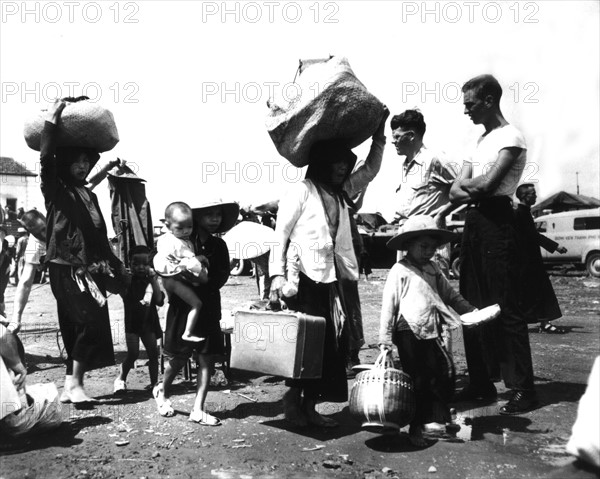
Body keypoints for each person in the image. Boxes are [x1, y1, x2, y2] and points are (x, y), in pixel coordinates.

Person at [269, 108, 388, 428]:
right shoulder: (301, 191)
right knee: (308, 347)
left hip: (334, 280)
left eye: (345, 164)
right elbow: (279, 236)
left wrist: (379, 134)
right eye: (336, 163)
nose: (342, 168)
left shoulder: (341, 192)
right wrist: (277, 276)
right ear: (322, 163)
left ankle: (307, 409)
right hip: (306, 279)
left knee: (330, 347)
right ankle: (299, 408)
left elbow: (371, 170)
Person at [450, 74, 537, 415]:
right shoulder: (479, 141)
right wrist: (473, 187)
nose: (466, 110)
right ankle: (481, 383)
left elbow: (488, 186)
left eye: (470, 103)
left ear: (488, 100)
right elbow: (456, 190)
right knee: (471, 306)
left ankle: (523, 388)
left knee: (506, 306)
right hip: (474, 224)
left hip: (500, 223)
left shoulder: (511, 136)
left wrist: (473, 186)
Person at [40, 98, 125, 404]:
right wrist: (51, 120)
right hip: (66, 266)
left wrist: (110, 166)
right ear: (64, 164)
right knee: (86, 322)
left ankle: (70, 386)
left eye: (86, 162)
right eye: (76, 162)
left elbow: (94, 184)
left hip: (88, 268)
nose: (82, 166)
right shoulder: (56, 190)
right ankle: (75, 384)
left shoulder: (85, 193)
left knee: (84, 324)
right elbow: (45, 158)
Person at [378, 215, 479, 446]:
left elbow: (450, 295)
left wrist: (470, 311)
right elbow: (389, 304)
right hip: (407, 329)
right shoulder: (400, 270)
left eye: (432, 248)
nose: (428, 252)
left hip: (431, 328)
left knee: (440, 373)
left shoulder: (434, 269)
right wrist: (384, 338)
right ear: (408, 246)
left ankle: (435, 419)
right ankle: (415, 427)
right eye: (423, 247)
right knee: (418, 379)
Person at [153, 198, 237, 425]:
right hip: (182, 307)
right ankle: (163, 391)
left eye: (218, 215)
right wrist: (187, 276)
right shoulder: (177, 241)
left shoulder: (218, 246)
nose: (215, 219)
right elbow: (164, 269)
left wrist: (197, 279)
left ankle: (198, 409)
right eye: (209, 214)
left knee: (206, 359)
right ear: (196, 216)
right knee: (178, 357)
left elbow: (219, 277)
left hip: (208, 306)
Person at [391, 109, 460, 276]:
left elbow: (464, 187)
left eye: (397, 137)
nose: (394, 142)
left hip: (428, 240)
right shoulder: (407, 165)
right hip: (407, 236)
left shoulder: (435, 159)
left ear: (412, 135)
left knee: (432, 296)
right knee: (409, 295)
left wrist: (442, 213)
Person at [514, 183, 567, 334]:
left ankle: (542, 321)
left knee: (534, 292)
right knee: (538, 291)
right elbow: (533, 236)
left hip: (529, 261)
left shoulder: (523, 212)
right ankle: (543, 322)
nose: (536, 196)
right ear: (525, 196)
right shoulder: (521, 214)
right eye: (533, 194)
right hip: (527, 262)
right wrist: (555, 246)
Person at [154, 202, 208, 342]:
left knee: (171, 302)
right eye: (180, 228)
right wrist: (202, 260)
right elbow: (192, 261)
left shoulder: (164, 239)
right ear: (168, 226)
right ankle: (188, 333)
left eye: (189, 227)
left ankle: (165, 327)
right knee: (197, 304)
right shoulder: (179, 243)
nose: (185, 231)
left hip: (167, 278)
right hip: (175, 279)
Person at [114, 245, 164, 394]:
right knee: (133, 354)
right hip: (133, 324)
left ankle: (154, 383)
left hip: (149, 324)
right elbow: (123, 283)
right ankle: (121, 379)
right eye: (136, 264)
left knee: (153, 354)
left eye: (145, 264)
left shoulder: (152, 282)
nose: (141, 267)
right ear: (130, 264)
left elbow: (159, 300)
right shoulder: (128, 281)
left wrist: (154, 280)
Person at [4, 210, 47, 335]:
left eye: (44, 229)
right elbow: (25, 282)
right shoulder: (35, 241)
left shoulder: (61, 223)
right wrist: (15, 319)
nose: (43, 234)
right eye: (38, 233)